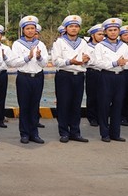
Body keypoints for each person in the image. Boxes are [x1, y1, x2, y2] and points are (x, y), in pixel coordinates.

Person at [9, 15, 48, 144]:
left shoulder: (40, 44)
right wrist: (27, 57)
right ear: (23, 30)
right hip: (24, 77)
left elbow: (45, 63)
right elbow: (13, 62)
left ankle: (34, 133)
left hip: (38, 76)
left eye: (32, 28)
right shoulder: (17, 44)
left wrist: (39, 57)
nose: (30, 31)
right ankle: (24, 134)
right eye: (28, 28)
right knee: (24, 106)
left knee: (35, 105)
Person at [51, 15, 90, 143]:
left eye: (76, 26)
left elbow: (88, 60)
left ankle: (75, 132)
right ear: (66, 28)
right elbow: (56, 61)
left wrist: (86, 61)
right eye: (71, 26)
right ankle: (63, 132)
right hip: (64, 75)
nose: (74, 29)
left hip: (78, 76)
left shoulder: (83, 42)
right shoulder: (59, 42)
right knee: (63, 104)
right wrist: (70, 61)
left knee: (76, 104)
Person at [92, 18, 128, 142]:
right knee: (104, 105)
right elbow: (98, 63)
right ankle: (105, 133)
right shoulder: (100, 46)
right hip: (106, 76)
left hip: (121, 76)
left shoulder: (124, 46)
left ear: (119, 31)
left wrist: (123, 64)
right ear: (106, 32)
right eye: (110, 30)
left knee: (118, 105)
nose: (113, 32)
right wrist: (115, 63)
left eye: (115, 30)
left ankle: (115, 133)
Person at [85, 24, 104, 127]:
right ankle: (92, 117)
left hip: (104, 72)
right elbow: (89, 61)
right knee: (92, 95)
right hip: (92, 72)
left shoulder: (105, 46)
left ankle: (101, 117)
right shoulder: (87, 47)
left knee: (104, 96)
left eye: (103, 34)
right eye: (99, 34)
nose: (102, 36)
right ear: (93, 35)